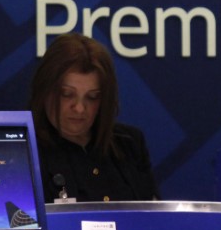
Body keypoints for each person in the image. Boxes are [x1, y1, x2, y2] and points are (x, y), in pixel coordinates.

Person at [30, 33, 159, 203]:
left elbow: (153, 217)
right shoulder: (23, 151)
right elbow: (17, 225)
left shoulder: (130, 143)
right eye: (67, 94)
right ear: (45, 90)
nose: (79, 108)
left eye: (92, 97)